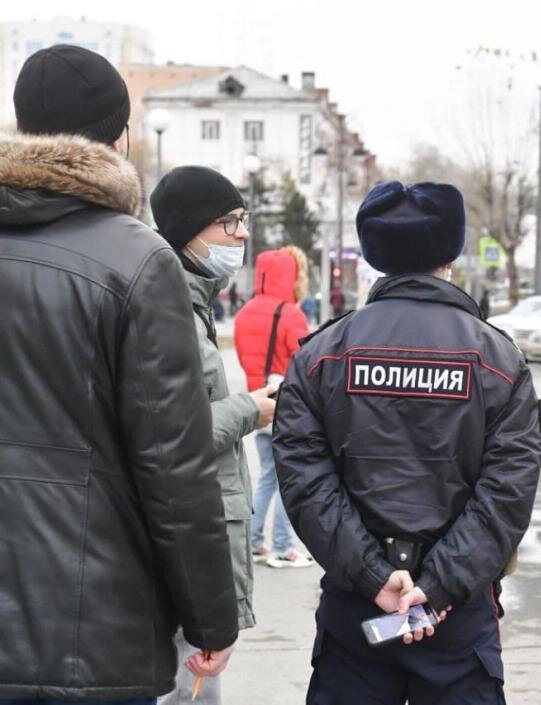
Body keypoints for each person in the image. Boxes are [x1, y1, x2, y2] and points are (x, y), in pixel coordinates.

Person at [0, 46, 238, 704]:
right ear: (116, 137)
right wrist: (210, 617)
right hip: (97, 632)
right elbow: (173, 465)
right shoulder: (136, 259)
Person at [273, 181, 541, 705]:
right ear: (452, 251)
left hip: (356, 611)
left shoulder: (322, 355)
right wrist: (437, 586)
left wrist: (376, 577)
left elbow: (305, 484)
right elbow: (508, 492)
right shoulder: (497, 359)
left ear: (374, 253)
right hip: (457, 614)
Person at [151, 166, 278, 704]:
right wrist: (251, 409)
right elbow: (173, 435)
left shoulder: (194, 299)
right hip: (184, 538)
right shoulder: (169, 305)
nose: (242, 233)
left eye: (243, 219)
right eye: (229, 222)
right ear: (190, 231)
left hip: (192, 534)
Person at [234, 246, 315, 569]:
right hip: (288, 404)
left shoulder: (245, 311)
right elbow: (306, 360)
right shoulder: (291, 313)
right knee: (286, 478)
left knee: (268, 474)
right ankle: (283, 547)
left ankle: (254, 543)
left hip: (258, 401)